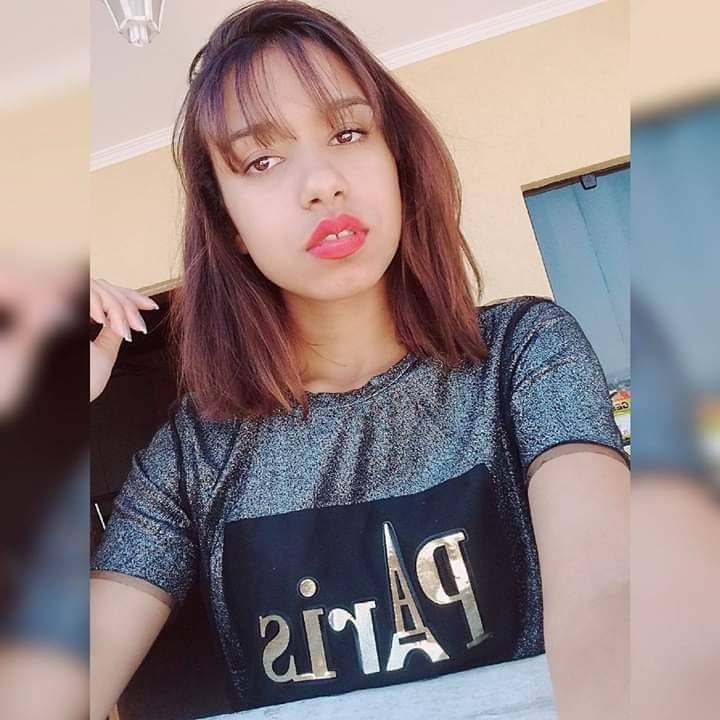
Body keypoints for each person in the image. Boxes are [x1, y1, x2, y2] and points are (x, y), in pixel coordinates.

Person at [90, 2, 629, 718]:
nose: (321, 182)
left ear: (396, 160)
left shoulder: (523, 354)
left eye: (348, 132)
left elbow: (611, 598)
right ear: (229, 223)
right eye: (262, 160)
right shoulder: (192, 457)